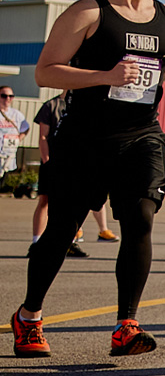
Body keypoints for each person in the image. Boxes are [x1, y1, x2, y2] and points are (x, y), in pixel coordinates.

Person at [15, 0, 165, 358]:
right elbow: (45, 72)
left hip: (142, 136)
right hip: (85, 140)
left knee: (141, 218)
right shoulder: (87, 13)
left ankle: (126, 324)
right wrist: (105, 77)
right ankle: (29, 316)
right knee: (60, 232)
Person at [27, 91, 96, 258]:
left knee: (72, 203)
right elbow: (43, 136)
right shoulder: (52, 105)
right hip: (53, 161)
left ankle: (70, 242)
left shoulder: (84, 106)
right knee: (45, 200)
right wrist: (47, 161)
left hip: (74, 162)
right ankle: (37, 242)